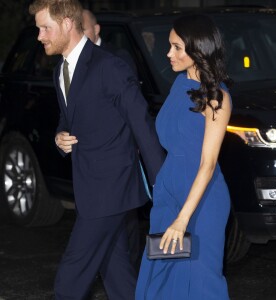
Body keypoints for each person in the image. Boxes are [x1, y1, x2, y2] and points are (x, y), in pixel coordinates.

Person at [29, 1, 165, 299]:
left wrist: (164, 185)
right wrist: (59, 137)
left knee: (70, 278)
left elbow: (141, 125)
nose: (40, 36)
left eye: (45, 28)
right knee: (118, 277)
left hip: (111, 190)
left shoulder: (110, 66)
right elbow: (67, 120)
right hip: (88, 190)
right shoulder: (59, 72)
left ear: (67, 24)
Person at [136, 14, 233, 299]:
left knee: (200, 282)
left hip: (201, 202)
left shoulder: (217, 97)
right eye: (170, 45)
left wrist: (182, 218)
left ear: (198, 48)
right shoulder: (178, 86)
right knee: (162, 278)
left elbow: (208, 163)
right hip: (169, 194)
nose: (168, 53)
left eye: (177, 47)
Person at [81, 8, 141, 272]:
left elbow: (132, 112)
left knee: (126, 229)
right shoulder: (70, 64)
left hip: (118, 160)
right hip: (90, 166)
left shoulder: (116, 59)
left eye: (84, 28)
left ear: (96, 30)